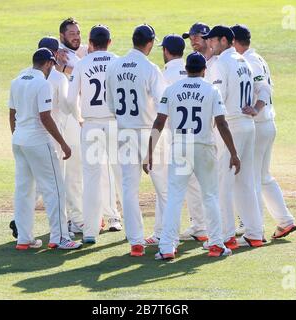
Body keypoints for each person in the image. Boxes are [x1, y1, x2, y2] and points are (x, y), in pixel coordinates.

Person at [143, 52, 240, 259]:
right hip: (204, 146)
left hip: (180, 147)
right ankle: (215, 244)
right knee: (211, 196)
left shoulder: (171, 89)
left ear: (186, 69)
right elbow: (222, 123)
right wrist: (233, 153)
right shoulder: (211, 89)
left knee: (175, 198)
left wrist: (149, 152)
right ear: (204, 70)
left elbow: (159, 122)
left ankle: (167, 247)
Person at [8, 48, 82, 250]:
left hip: (19, 141)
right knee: (55, 190)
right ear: (48, 63)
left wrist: (17, 135)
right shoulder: (42, 83)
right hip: (38, 141)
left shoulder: (17, 80)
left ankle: (24, 238)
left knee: (23, 190)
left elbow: (12, 113)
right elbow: (45, 117)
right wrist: (63, 143)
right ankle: (59, 238)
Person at [106, 24, 168, 256]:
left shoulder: (114, 66)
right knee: (163, 187)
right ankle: (164, 235)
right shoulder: (150, 68)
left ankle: (136, 241)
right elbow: (164, 103)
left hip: (125, 132)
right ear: (150, 43)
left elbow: (111, 105)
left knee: (128, 188)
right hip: (149, 132)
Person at [231, 24, 296, 239]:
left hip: (259, 124)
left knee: (251, 178)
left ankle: (253, 229)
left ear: (234, 42)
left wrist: (255, 108)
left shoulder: (249, 61)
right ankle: (284, 220)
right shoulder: (257, 57)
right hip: (266, 123)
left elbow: (264, 89)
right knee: (262, 176)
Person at [203, 25, 264, 248]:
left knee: (224, 182)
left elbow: (218, 98)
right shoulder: (244, 61)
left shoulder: (222, 63)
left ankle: (227, 236)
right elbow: (263, 89)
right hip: (248, 125)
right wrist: (256, 109)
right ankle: (255, 233)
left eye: (212, 40)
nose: (209, 44)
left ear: (223, 40)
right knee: (245, 181)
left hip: (230, 127)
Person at [67, 25, 123, 244]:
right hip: (116, 124)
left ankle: (90, 232)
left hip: (90, 125)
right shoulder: (118, 62)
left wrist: (79, 117)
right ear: (109, 42)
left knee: (91, 179)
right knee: (123, 178)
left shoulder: (82, 64)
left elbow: (71, 100)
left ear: (90, 43)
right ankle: (132, 233)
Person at [160, 34, 208, 242]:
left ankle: (167, 238)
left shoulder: (167, 76)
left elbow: (160, 110)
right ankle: (202, 227)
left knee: (174, 190)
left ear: (166, 51)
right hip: (202, 137)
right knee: (199, 185)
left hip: (178, 138)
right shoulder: (197, 75)